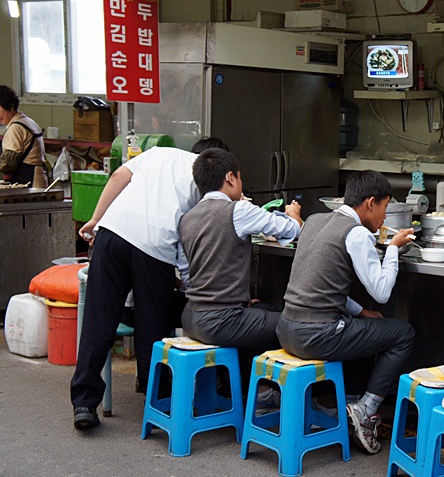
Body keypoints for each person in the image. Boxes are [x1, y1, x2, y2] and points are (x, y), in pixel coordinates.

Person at [70, 137, 228, 430]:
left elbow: (118, 176)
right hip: (154, 248)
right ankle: (155, 399)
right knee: (151, 325)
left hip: (112, 233)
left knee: (98, 320)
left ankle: (84, 403)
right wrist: (192, 285)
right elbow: (187, 237)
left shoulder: (159, 153)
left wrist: (96, 219)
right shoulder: (206, 184)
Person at [276, 170, 416, 455]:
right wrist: (392, 250)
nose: (385, 217)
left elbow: (323, 286)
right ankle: (365, 409)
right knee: (403, 333)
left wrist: (362, 311)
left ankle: (348, 406)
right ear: (370, 202)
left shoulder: (313, 222)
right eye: (386, 208)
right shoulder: (357, 234)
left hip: (286, 329)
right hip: (317, 334)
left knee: (365, 326)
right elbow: (382, 291)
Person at [178, 148, 302, 356]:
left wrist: (233, 299)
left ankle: (238, 383)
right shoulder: (238, 210)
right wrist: (294, 215)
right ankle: (262, 388)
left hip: (191, 317)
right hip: (221, 321)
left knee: (268, 310)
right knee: (295, 328)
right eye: (240, 177)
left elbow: (187, 277)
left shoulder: (187, 218)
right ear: (230, 177)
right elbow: (290, 229)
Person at [0, 85, 47, 187]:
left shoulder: (15, 128)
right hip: (39, 178)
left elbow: (7, 164)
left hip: (29, 182)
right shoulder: (27, 121)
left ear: (11, 106)